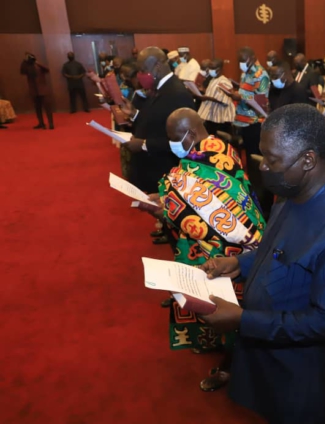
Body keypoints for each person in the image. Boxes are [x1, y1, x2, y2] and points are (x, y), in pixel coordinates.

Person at [198, 103, 325, 424]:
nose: (263, 166)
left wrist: (242, 319)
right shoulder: (292, 195)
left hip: (299, 369)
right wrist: (238, 264)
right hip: (268, 348)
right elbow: (280, 253)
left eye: (273, 159)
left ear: (307, 160)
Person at [151, 107, 265, 392]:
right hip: (204, 244)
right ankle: (213, 341)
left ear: (190, 134)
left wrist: (164, 209)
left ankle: (231, 364)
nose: (172, 144)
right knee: (205, 299)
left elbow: (201, 210)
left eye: (174, 138)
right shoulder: (211, 148)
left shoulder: (213, 158)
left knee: (228, 304)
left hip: (230, 248)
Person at [120, 47, 196, 194]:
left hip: (164, 172)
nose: (140, 75)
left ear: (158, 67)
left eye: (143, 70)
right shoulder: (159, 87)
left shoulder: (177, 93)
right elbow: (157, 120)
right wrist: (134, 114)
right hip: (152, 168)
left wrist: (144, 144)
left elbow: (186, 141)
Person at [227, 46, 270, 156]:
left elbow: (261, 102)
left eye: (243, 60)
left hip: (254, 122)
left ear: (253, 58)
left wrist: (240, 97)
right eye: (239, 61)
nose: (241, 63)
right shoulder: (246, 73)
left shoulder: (260, 75)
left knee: (254, 157)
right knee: (247, 155)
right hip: (244, 121)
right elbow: (247, 91)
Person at [197, 58, 235, 136]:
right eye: (210, 67)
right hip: (212, 118)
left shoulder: (224, 81)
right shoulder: (213, 80)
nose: (210, 70)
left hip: (220, 120)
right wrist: (203, 91)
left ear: (219, 69)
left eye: (212, 68)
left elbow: (225, 101)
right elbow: (213, 93)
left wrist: (207, 98)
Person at [20, 52, 54, 130]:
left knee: (47, 108)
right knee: (38, 108)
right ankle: (41, 123)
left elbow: (47, 69)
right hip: (34, 91)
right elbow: (22, 71)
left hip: (43, 90)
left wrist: (37, 63)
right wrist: (24, 61)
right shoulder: (27, 68)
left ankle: (51, 123)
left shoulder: (38, 66)